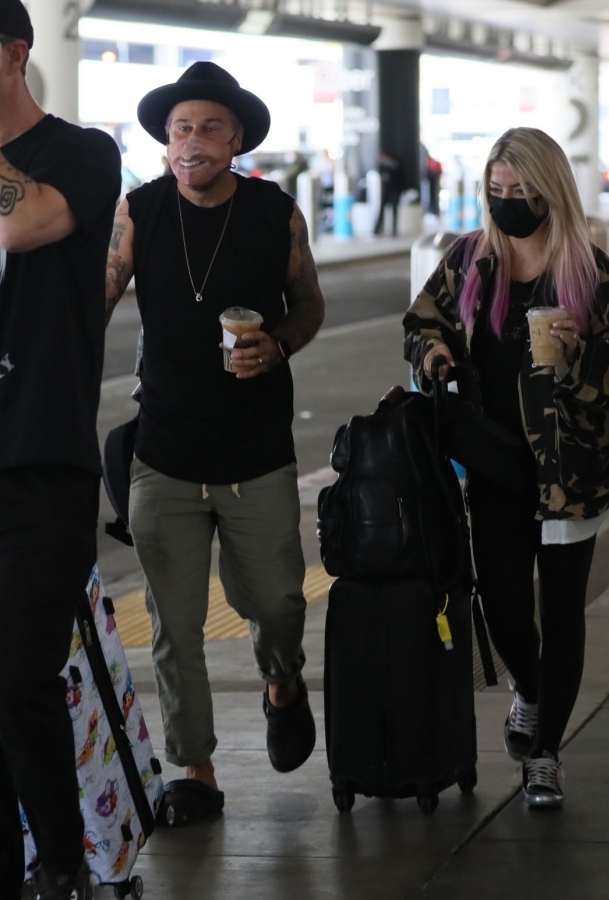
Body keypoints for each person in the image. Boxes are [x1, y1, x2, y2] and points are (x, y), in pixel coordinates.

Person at [104, 62, 325, 823]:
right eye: (177, 131)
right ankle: (193, 770)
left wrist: (280, 345)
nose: (189, 142)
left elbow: (308, 304)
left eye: (205, 128)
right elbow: (89, 307)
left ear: (236, 139)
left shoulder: (274, 213)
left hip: (256, 451)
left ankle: (282, 682)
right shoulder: (137, 213)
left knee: (277, 603)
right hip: (162, 453)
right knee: (172, 630)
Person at [404, 127, 609, 808]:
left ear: (550, 190)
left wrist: (575, 360)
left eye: (522, 191)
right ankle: (531, 692)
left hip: (571, 472)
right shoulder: (469, 261)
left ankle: (544, 756)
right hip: (494, 466)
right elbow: (420, 322)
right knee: (508, 610)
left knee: (562, 612)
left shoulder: (587, 269)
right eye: (497, 190)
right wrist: (436, 358)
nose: (508, 202)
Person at [0, 3, 122, 899]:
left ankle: (65, 865)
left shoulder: (81, 153)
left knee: (15, 671)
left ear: (13, 54)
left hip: (38, 455)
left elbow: (24, 222)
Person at [374, 150, 404, 237]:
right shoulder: (383, 166)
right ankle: (377, 230)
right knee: (381, 210)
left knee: (394, 211)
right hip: (386, 191)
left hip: (395, 191)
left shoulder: (395, 164)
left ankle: (394, 230)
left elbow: (401, 178)